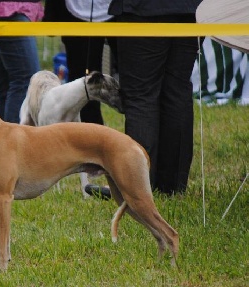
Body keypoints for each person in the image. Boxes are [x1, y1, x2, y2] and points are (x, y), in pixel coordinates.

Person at [107, 0, 203, 195]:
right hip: (192, 9)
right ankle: (173, 186)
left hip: (143, 8)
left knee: (141, 96)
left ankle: (137, 188)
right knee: (177, 91)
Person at [43, 0, 118, 125]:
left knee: (136, 85)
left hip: (121, 11)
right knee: (82, 84)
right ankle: (86, 133)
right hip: (76, 12)